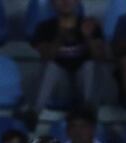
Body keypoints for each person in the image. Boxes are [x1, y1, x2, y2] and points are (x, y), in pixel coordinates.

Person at [19, 0, 106, 129]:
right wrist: (60, 36)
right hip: (59, 87)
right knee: (51, 67)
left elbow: (100, 57)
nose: (65, 2)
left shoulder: (89, 25)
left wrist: (88, 37)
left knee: (90, 65)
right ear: (53, 3)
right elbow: (45, 57)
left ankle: (89, 113)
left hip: (83, 85)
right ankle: (34, 112)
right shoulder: (44, 27)